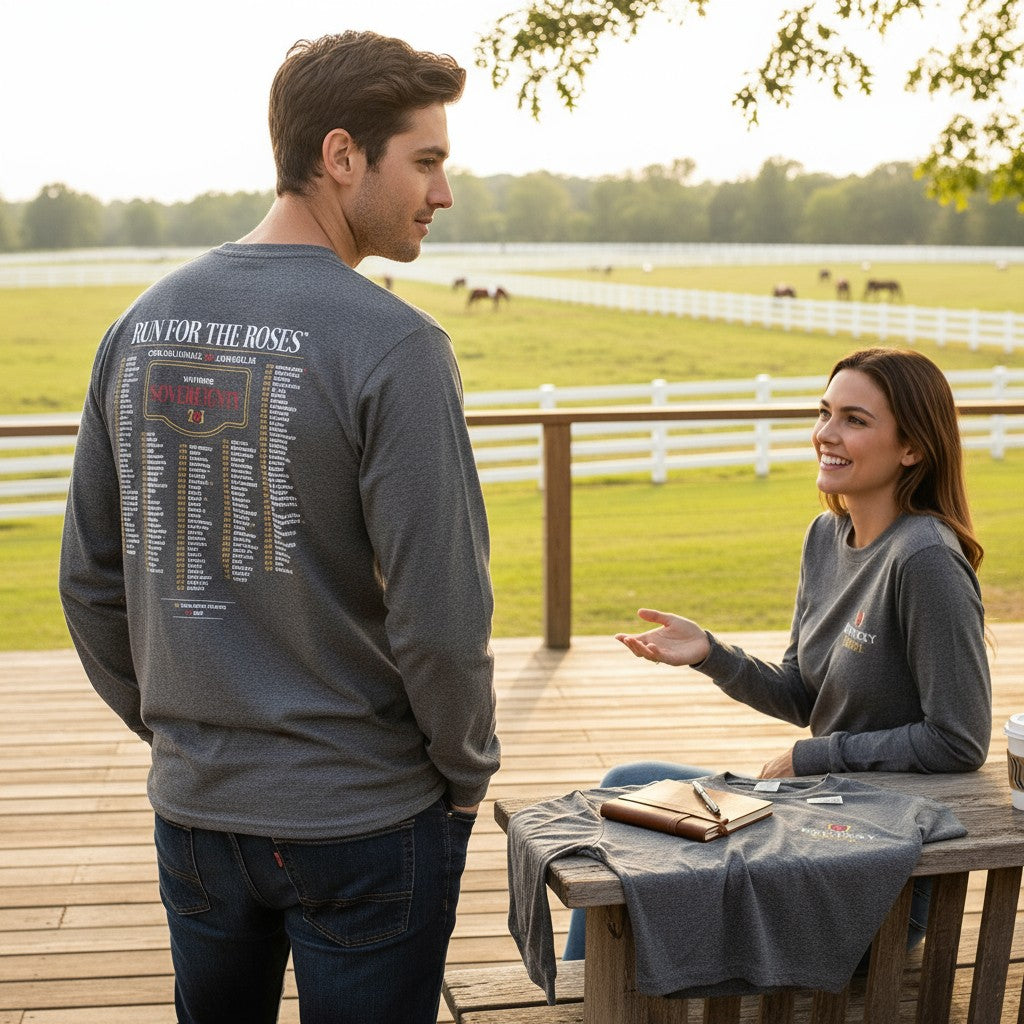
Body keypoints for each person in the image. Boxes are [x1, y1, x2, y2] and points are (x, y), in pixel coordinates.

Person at [58, 31, 500, 1024]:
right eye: (425, 161)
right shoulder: (398, 347)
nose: (443, 192)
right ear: (342, 156)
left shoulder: (142, 324)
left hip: (196, 806)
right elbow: (440, 619)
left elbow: (88, 579)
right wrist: (466, 772)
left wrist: (180, 727)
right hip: (366, 816)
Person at [564, 346, 991, 961]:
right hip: (818, 814)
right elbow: (802, 695)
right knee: (627, 789)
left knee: (635, 837)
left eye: (855, 419)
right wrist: (711, 652)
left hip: (879, 863)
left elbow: (959, 740)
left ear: (913, 448)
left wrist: (813, 754)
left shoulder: (924, 559)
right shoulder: (825, 538)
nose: (826, 434)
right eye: (825, 413)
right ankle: (584, 1000)